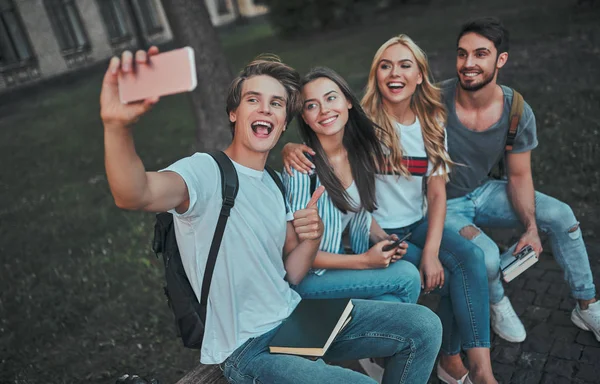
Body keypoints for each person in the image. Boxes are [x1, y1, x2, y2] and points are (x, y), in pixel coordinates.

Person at [100, 48, 442, 384]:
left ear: (281, 126)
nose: (265, 108)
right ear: (233, 112)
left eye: (276, 104)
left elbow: (292, 271)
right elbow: (134, 193)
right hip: (248, 348)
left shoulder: (275, 184)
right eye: (253, 99)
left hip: (295, 318)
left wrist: (312, 236)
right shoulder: (206, 172)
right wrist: (117, 127)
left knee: (424, 327)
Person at [283, 35, 496, 384]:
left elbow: (376, 207)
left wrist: (407, 246)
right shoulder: (341, 141)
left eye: (404, 65)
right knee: (414, 280)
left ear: (420, 76)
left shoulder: (405, 132)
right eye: (385, 65)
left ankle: (466, 365)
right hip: (328, 264)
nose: (323, 110)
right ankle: (379, 345)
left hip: (404, 227)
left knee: (467, 263)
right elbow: (296, 262)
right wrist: (290, 147)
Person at [438, 17, 600, 344]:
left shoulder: (516, 110)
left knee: (562, 216)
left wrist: (530, 228)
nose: (468, 63)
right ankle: (497, 300)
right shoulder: (433, 100)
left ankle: (587, 305)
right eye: (462, 54)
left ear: (501, 60)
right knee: (484, 256)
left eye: (480, 54)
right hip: (441, 204)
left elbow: (519, 174)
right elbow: (370, 120)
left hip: (482, 190)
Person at [283, 66, 421, 305]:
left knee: (396, 291)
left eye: (331, 98)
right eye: (312, 105)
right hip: (308, 278)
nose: (324, 110)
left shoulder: (358, 153)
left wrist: (382, 239)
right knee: (407, 277)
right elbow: (294, 256)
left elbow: (360, 211)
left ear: (347, 101)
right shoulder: (301, 169)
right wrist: (365, 262)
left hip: (342, 262)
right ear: (305, 117)